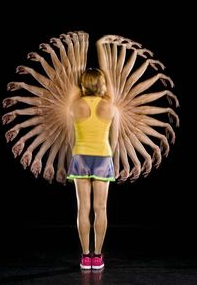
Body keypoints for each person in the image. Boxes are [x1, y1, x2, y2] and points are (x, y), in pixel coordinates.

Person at [67, 67, 115, 270]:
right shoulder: (111, 106)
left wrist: (78, 151)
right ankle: (98, 257)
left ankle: (86, 257)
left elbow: (70, 139)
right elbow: (115, 140)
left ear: (83, 83)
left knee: (83, 209)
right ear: (102, 83)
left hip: (81, 156)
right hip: (103, 156)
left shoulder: (74, 105)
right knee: (101, 208)